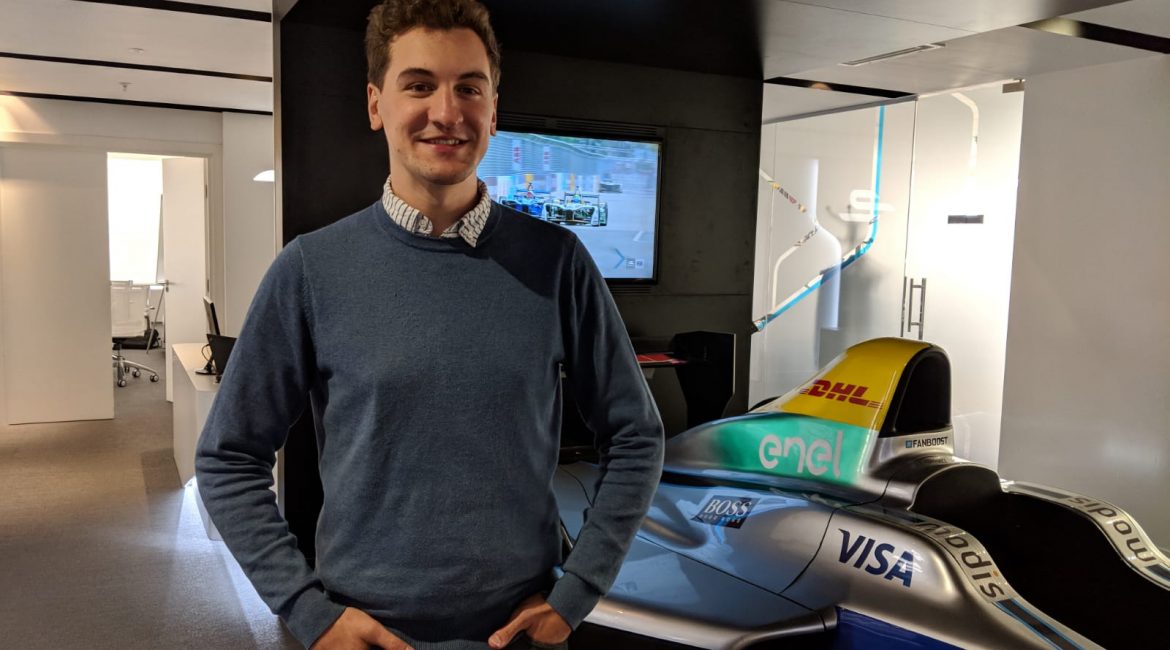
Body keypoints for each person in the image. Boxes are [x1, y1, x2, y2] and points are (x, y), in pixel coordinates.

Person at [194, 1, 665, 649]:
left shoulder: (557, 263)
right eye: (418, 85)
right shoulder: (311, 269)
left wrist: (579, 589)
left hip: (519, 633)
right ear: (375, 104)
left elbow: (636, 435)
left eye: (469, 88)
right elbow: (227, 456)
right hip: (363, 633)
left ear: (493, 111)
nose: (447, 112)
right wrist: (305, 608)